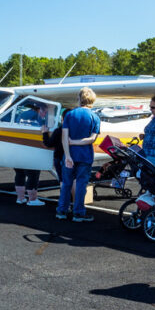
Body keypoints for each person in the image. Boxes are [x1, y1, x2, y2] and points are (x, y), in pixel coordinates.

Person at [56, 87, 100, 222]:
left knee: (66, 184)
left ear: (79, 99)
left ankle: (61, 211)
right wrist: (76, 142)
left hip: (70, 155)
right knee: (81, 184)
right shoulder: (95, 117)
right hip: (85, 156)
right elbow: (92, 139)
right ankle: (78, 213)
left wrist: (68, 155)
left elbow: (65, 138)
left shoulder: (69, 115)